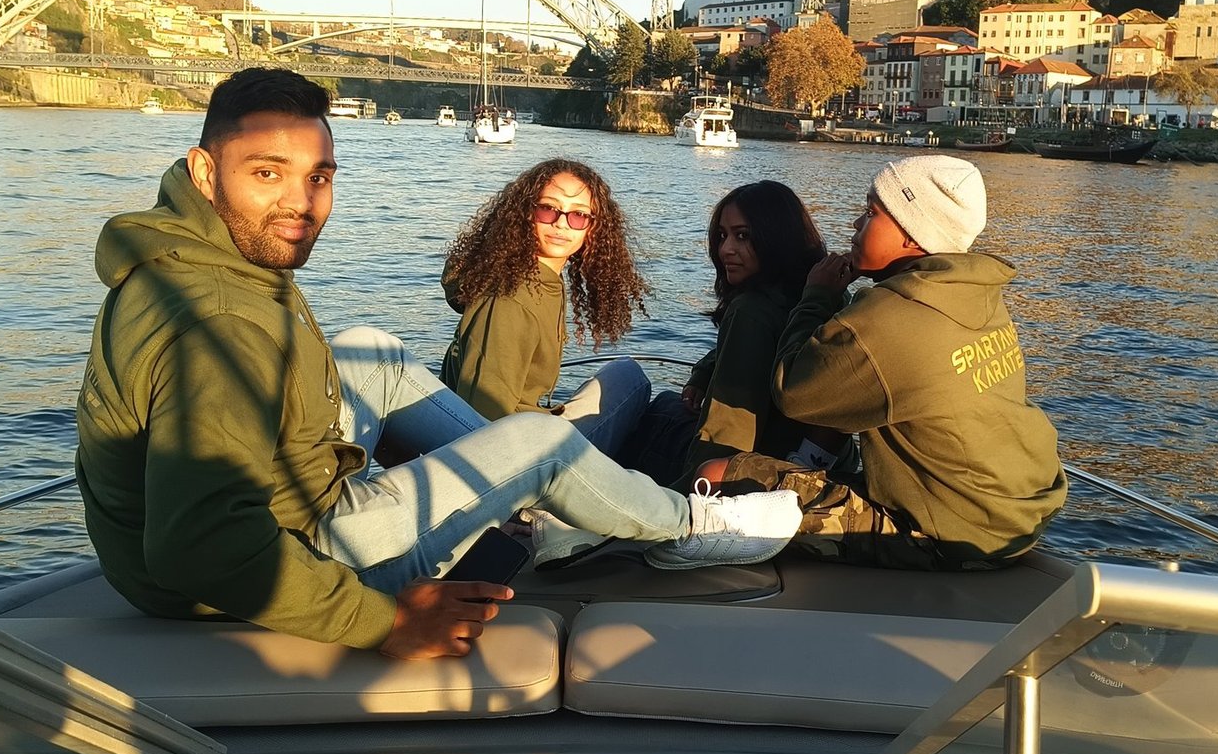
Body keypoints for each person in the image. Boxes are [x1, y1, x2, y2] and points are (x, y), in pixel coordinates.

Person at [74, 69, 803, 659]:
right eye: (268, 173)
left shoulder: (193, 256)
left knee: (366, 349)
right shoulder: (219, 320)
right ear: (205, 171)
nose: (300, 204)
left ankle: (517, 490)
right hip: (292, 555)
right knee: (541, 440)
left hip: (267, 517)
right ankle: (684, 526)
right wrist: (386, 623)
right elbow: (201, 548)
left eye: (319, 176)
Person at [704, 155, 1067, 570]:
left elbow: (793, 391)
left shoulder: (891, 315)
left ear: (913, 234)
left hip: (944, 536)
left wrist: (817, 297)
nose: (857, 224)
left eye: (872, 212)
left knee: (720, 473)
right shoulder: (975, 293)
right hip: (1012, 515)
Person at [638, 180, 844, 486]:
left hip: (749, 470)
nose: (725, 250)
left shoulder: (750, 311)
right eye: (722, 235)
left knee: (647, 413)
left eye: (743, 236)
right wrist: (706, 370)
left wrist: (687, 499)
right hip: (813, 463)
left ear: (776, 238)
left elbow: (730, 424)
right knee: (666, 407)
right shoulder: (823, 295)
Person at [440, 159, 650, 458]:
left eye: (578, 215)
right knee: (633, 386)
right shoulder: (512, 298)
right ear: (525, 213)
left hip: (534, 425)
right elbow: (482, 420)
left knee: (628, 374)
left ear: (593, 228)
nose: (562, 224)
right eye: (548, 209)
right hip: (521, 453)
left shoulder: (544, 279)